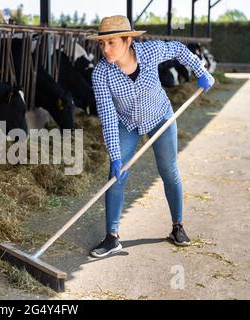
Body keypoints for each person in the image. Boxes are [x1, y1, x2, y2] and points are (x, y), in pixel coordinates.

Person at [88, 15, 215, 258]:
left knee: (168, 170)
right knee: (116, 177)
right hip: (127, 123)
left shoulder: (149, 51)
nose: (105, 49)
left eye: (111, 42)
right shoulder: (101, 73)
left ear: (127, 40)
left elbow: (178, 48)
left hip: (160, 117)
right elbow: (107, 116)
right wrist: (115, 156)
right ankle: (112, 237)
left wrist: (201, 70)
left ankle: (177, 226)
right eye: (102, 44)